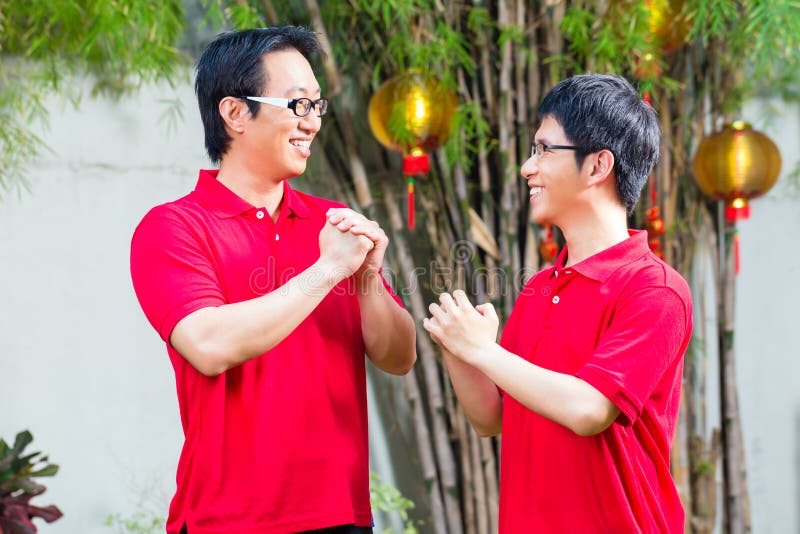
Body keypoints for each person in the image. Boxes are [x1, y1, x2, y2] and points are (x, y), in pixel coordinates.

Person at [130, 27, 416, 534]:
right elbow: (209, 343)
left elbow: (398, 358)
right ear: (236, 113)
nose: (312, 123)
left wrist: (368, 278)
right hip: (227, 520)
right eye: (297, 105)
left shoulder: (333, 224)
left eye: (317, 106)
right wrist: (328, 271)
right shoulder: (174, 227)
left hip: (341, 516)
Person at [423, 74, 692, 532]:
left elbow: (589, 410)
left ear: (597, 166)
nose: (528, 168)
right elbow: (493, 418)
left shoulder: (654, 289)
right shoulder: (539, 287)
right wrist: (460, 351)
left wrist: (486, 352)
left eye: (545, 150)